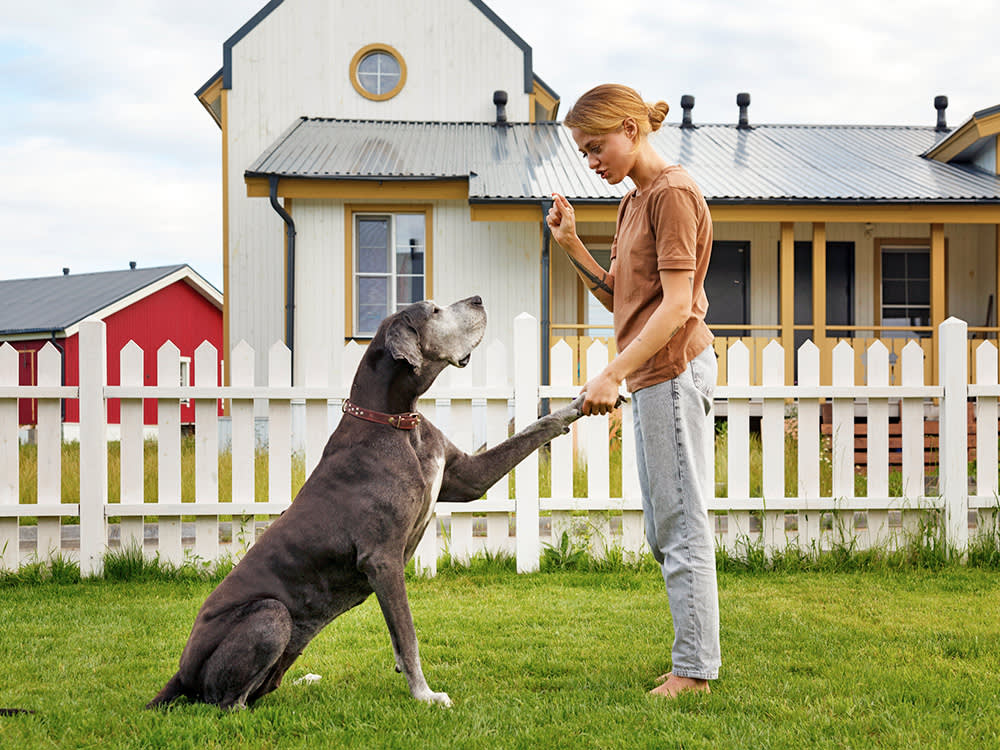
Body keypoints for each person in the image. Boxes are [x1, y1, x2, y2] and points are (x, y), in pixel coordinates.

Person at [546, 84, 720, 697]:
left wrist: (613, 372)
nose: (591, 161)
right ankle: (691, 657)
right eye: (584, 153)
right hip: (651, 375)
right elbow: (620, 296)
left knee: (680, 523)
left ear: (630, 127)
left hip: (672, 369)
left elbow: (676, 307)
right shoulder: (634, 202)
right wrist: (571, 244)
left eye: (595, 147)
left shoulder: (671, 194)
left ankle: (694, 672)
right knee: (663, 525)